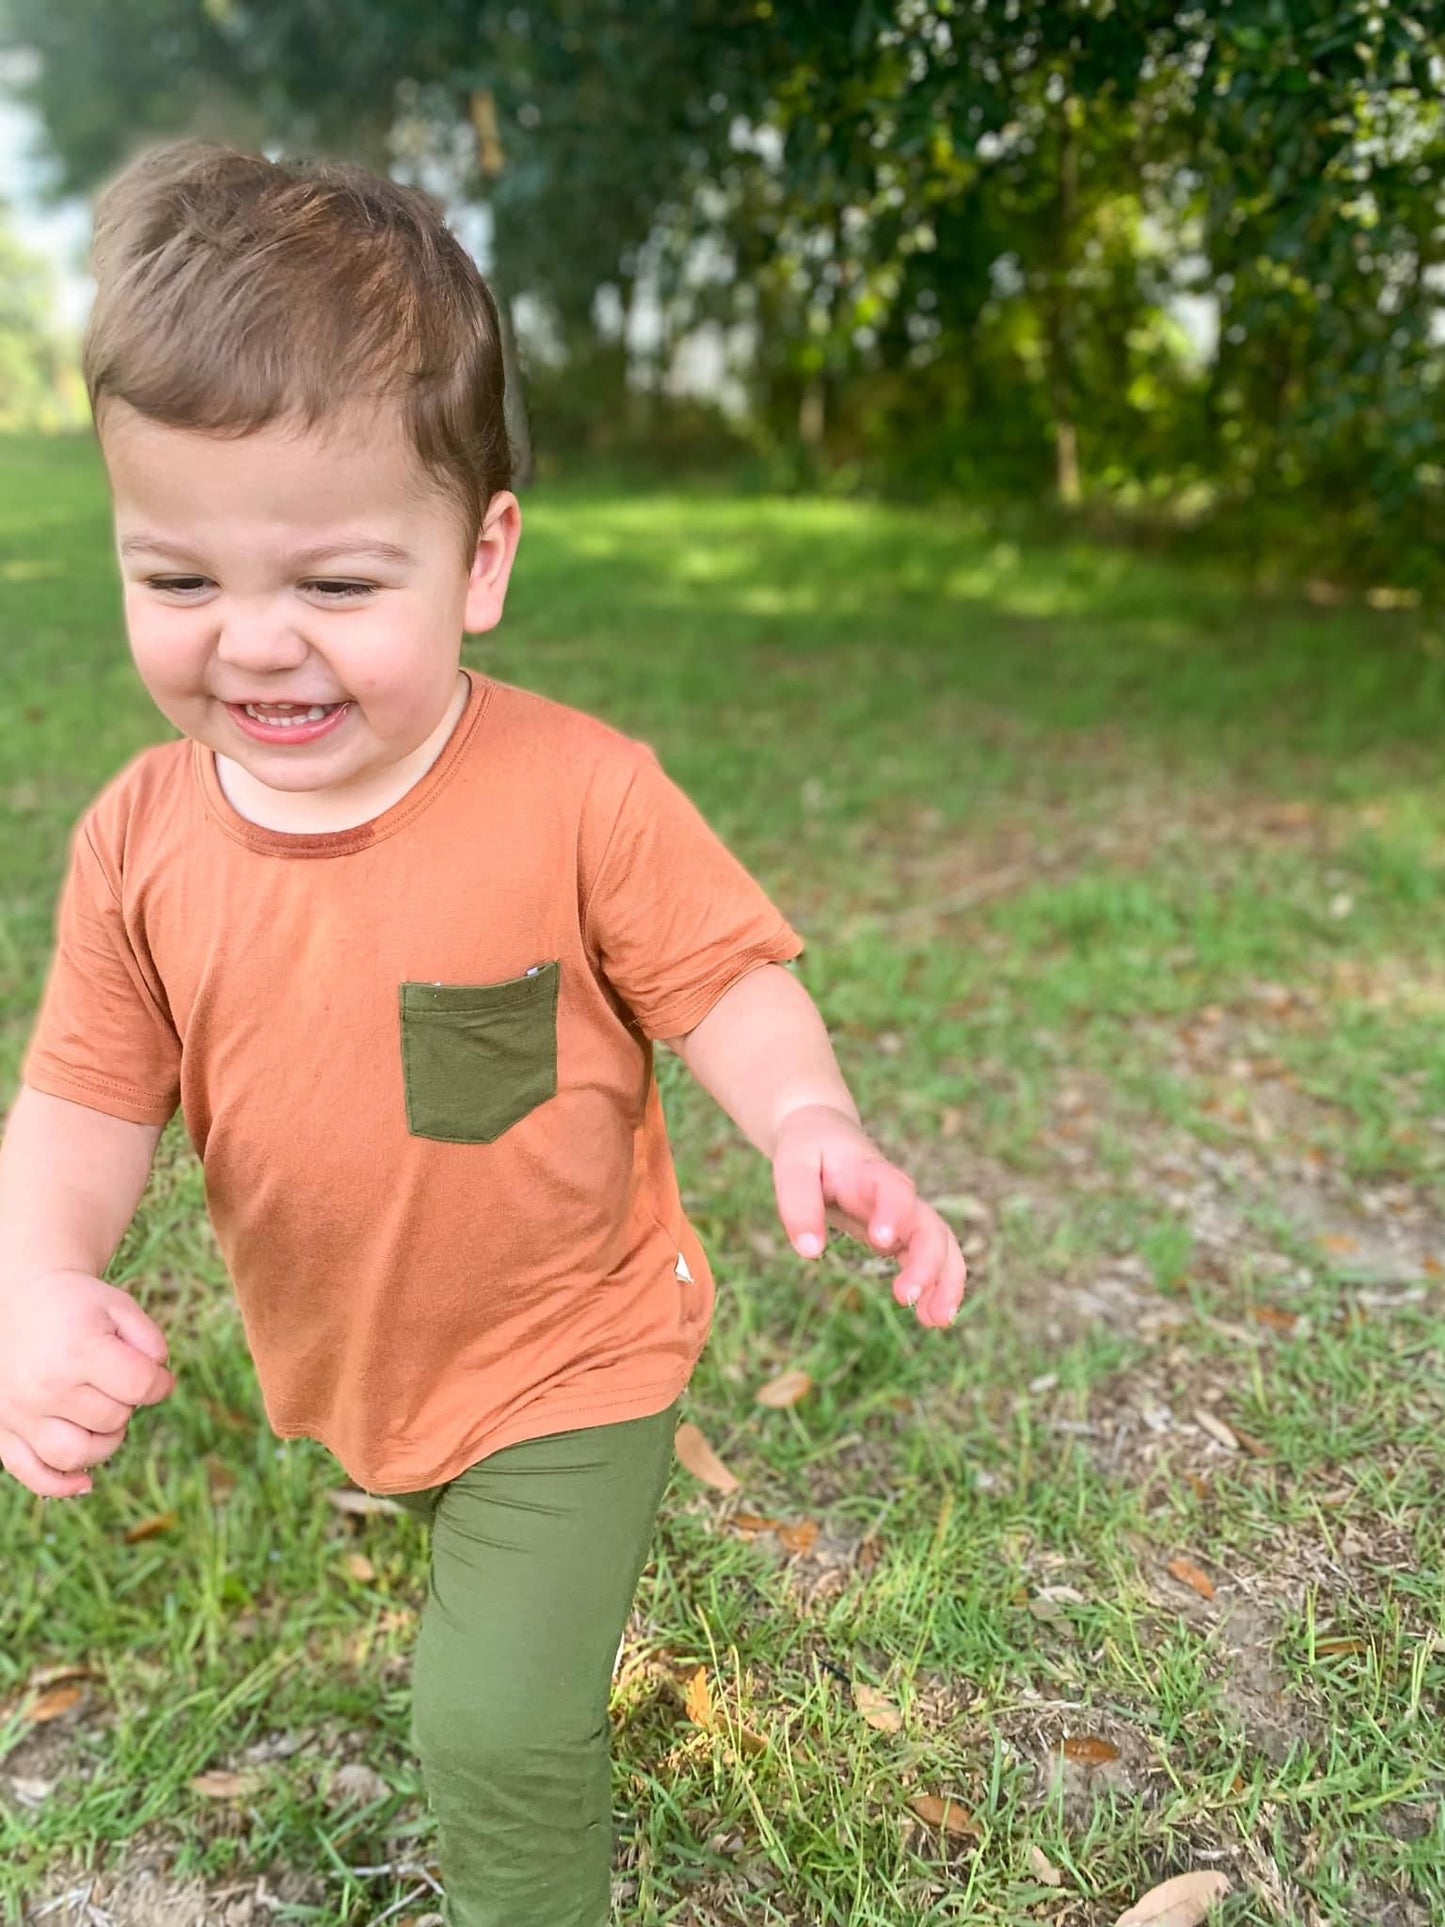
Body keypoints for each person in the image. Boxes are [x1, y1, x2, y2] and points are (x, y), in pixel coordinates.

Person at [0, 141, 967, 1927]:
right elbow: (80, 1093)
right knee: (452, 1541)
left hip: (568, 1346)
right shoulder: (137, 840)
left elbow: (722, 982)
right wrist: (37, 1279)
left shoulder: (578, 796)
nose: (257, 645)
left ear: (481, 557)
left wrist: (807, 1116)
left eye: (338, 586)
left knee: (491, 1724)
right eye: (181, 580)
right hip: (369, 1361)